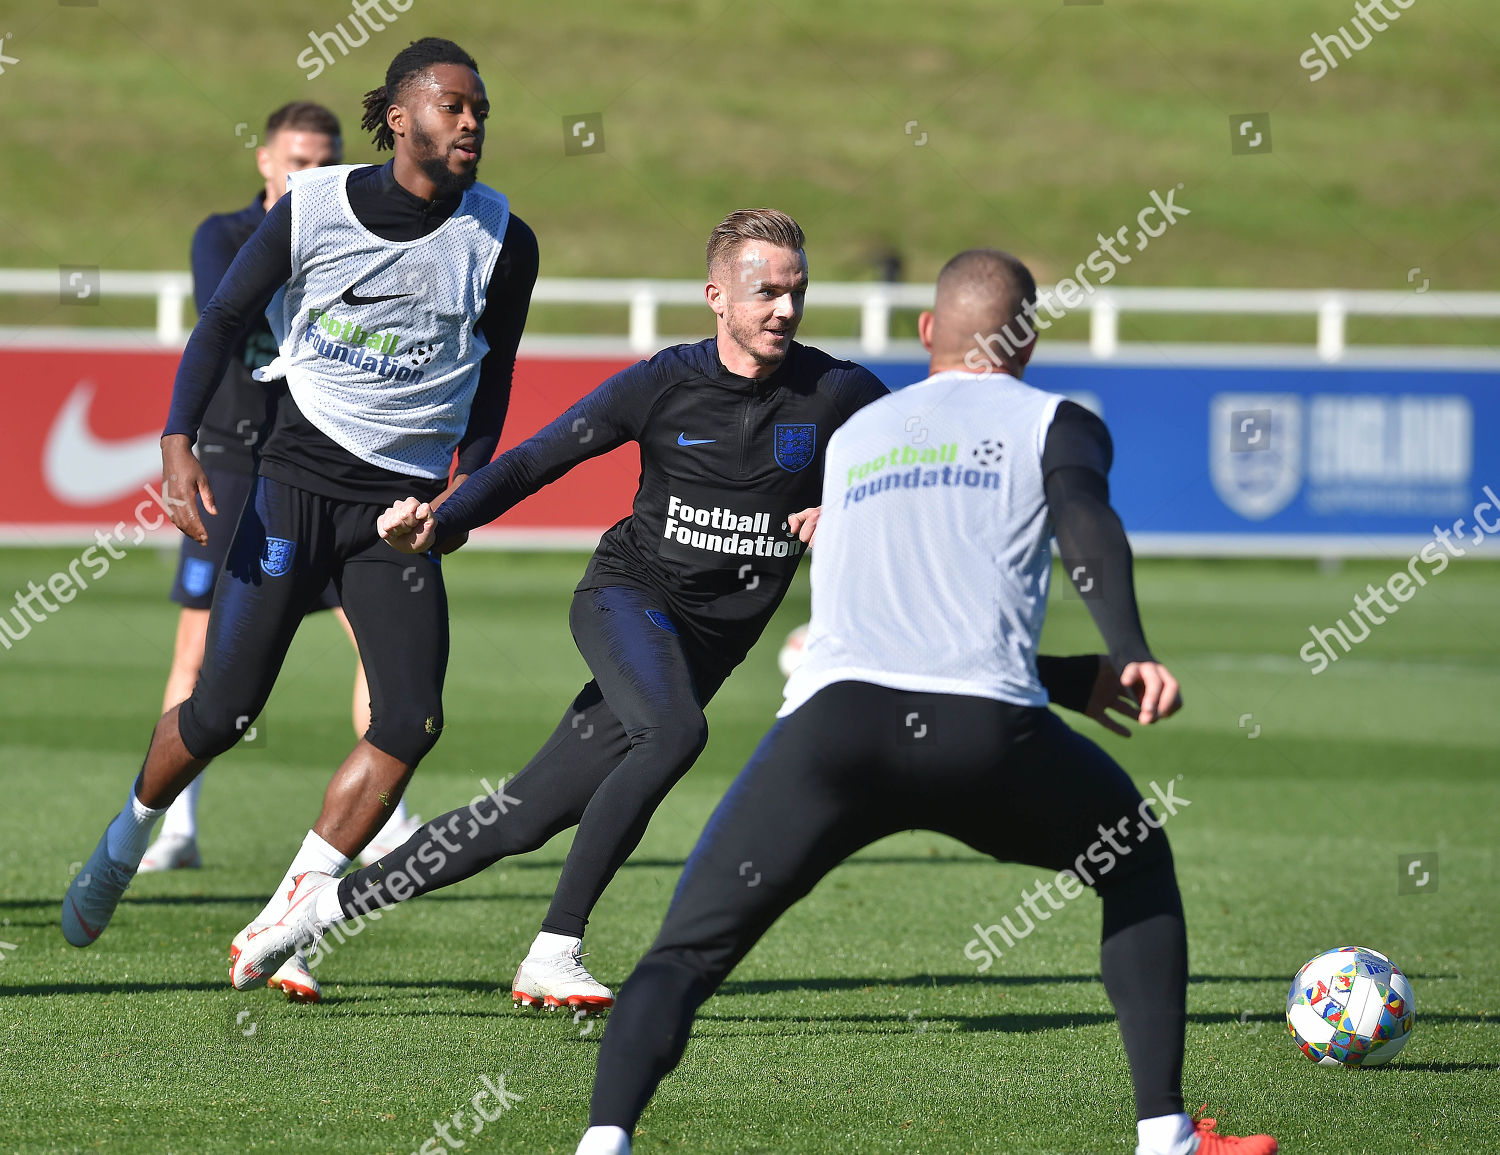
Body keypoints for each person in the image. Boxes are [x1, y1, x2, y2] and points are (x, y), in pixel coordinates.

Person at [228, 214, 1142, 1016]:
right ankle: (556, 949)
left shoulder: (843, 396)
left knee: (516, 818)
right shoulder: (663, 383)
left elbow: (917, 487)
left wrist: (854, 505)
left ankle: (314, 914)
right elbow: (532, 462)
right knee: (673, 733)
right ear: (716, 295)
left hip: (706, 646)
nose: (784, 309)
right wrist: (441, 521)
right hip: (626, 601)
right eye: (764, 292)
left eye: (796, 292)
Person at [570, 250, 1279, 1155]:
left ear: (925, 334)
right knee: (1134, 857)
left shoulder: (863, 433)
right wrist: (1126, 652)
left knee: (684, 953)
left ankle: (604, 1140)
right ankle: (1165, 1136)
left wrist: (1069, 677)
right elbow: (1085, 531)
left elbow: (905, 609)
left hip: (832, 734)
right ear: (1026, 339)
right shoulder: (1057, 422)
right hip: (984, 738)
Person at [61, 40, 539, 975]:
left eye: (482, 107)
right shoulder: (315, 207)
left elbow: (497, 375)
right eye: (454, 105)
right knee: (223, 713)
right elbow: (225, 321)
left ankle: (293, 906)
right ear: (401, 118)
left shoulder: (503, 238)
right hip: (293, 484)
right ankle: (126, 838)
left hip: (397, 513)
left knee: (412, 718)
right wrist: (176, 443)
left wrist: (462, 493)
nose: (474, 121)